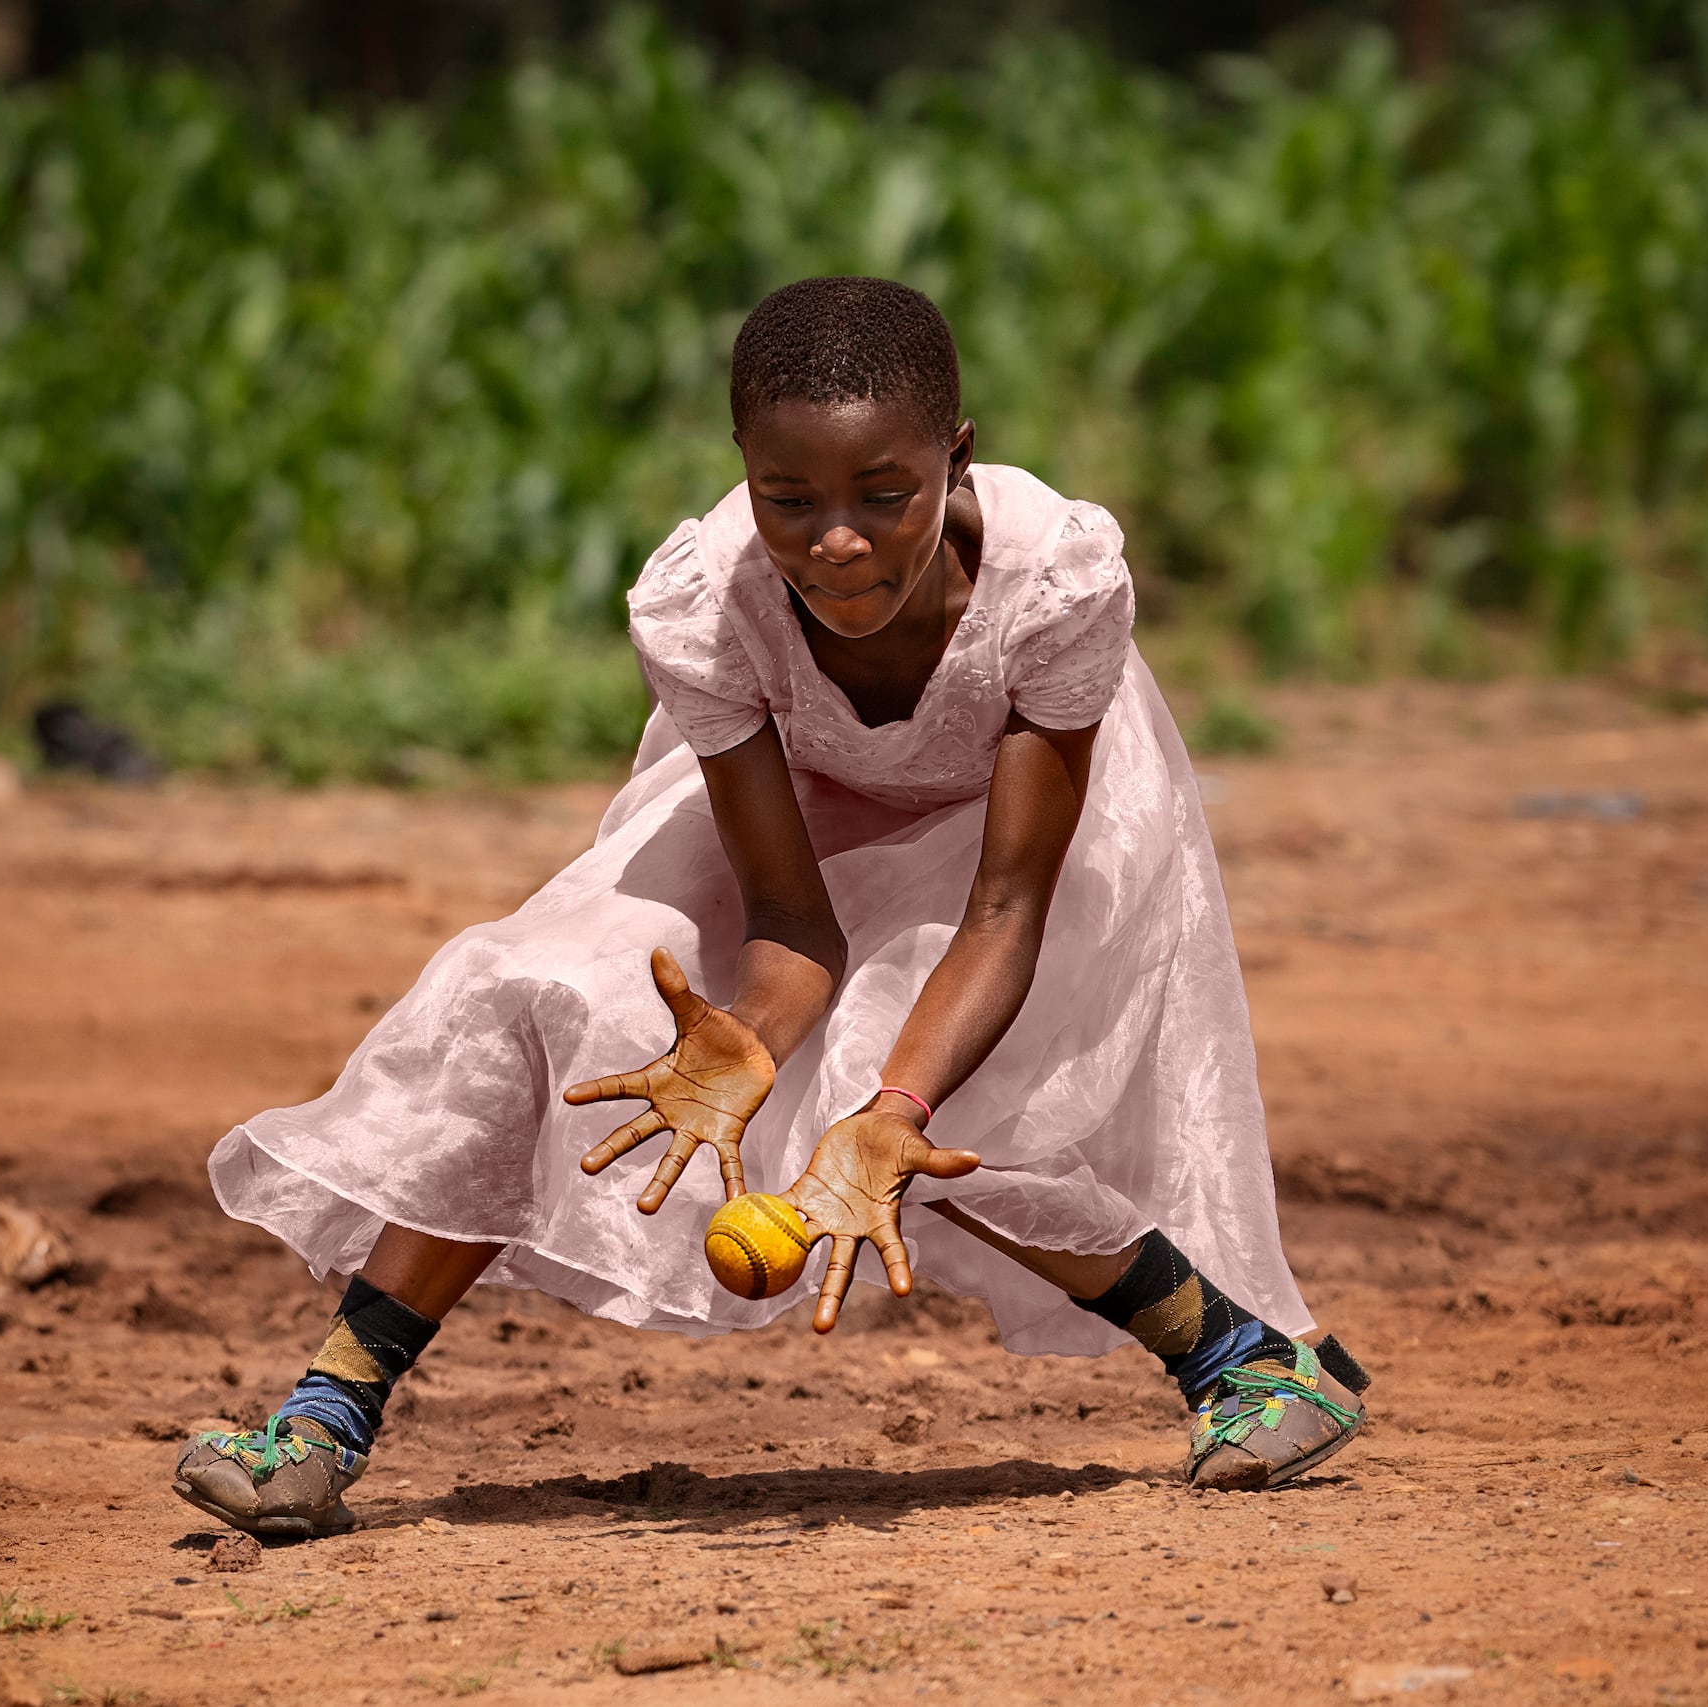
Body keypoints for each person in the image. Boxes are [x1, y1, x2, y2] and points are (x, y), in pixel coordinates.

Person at [174, 276, 1369, 1539]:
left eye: (883, 496)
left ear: (954, 457)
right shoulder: (707, 605)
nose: (834, 542)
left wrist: (886, 1114)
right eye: (786, 500)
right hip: (802, 807)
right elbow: (794, 921)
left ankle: (1241, 1360)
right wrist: (743, 1038)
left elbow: (1007, 909)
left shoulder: (1053, 587)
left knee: (924, 1091)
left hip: (1010, 838)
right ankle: (323, 1419)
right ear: (742, 470)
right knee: (526, 988)